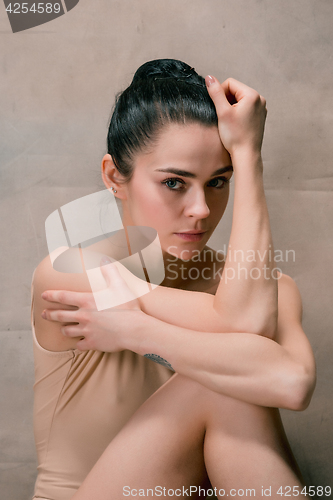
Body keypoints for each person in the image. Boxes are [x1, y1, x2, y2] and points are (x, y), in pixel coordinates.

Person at [31, 59, 316, 500]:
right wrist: (247, 151)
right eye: (174, 183)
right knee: (218, 381)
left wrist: (137, 327)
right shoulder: (71, 273)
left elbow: (292, 384)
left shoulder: (275, 291)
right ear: (114, 177)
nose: (201, 209)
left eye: (220, 182)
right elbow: (250, 334)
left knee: (226, 374)